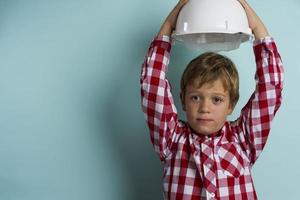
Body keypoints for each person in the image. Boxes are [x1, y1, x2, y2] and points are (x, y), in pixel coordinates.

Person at [140, 0, 284, 199]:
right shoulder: (171, 140)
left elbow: (270, 87)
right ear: (183, 100)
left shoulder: (243, 140)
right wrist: (169, 25)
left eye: (216, 99)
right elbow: (152, 85)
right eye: (196, 97)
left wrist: (257, 27)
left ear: (231, 105)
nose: (204, 108)